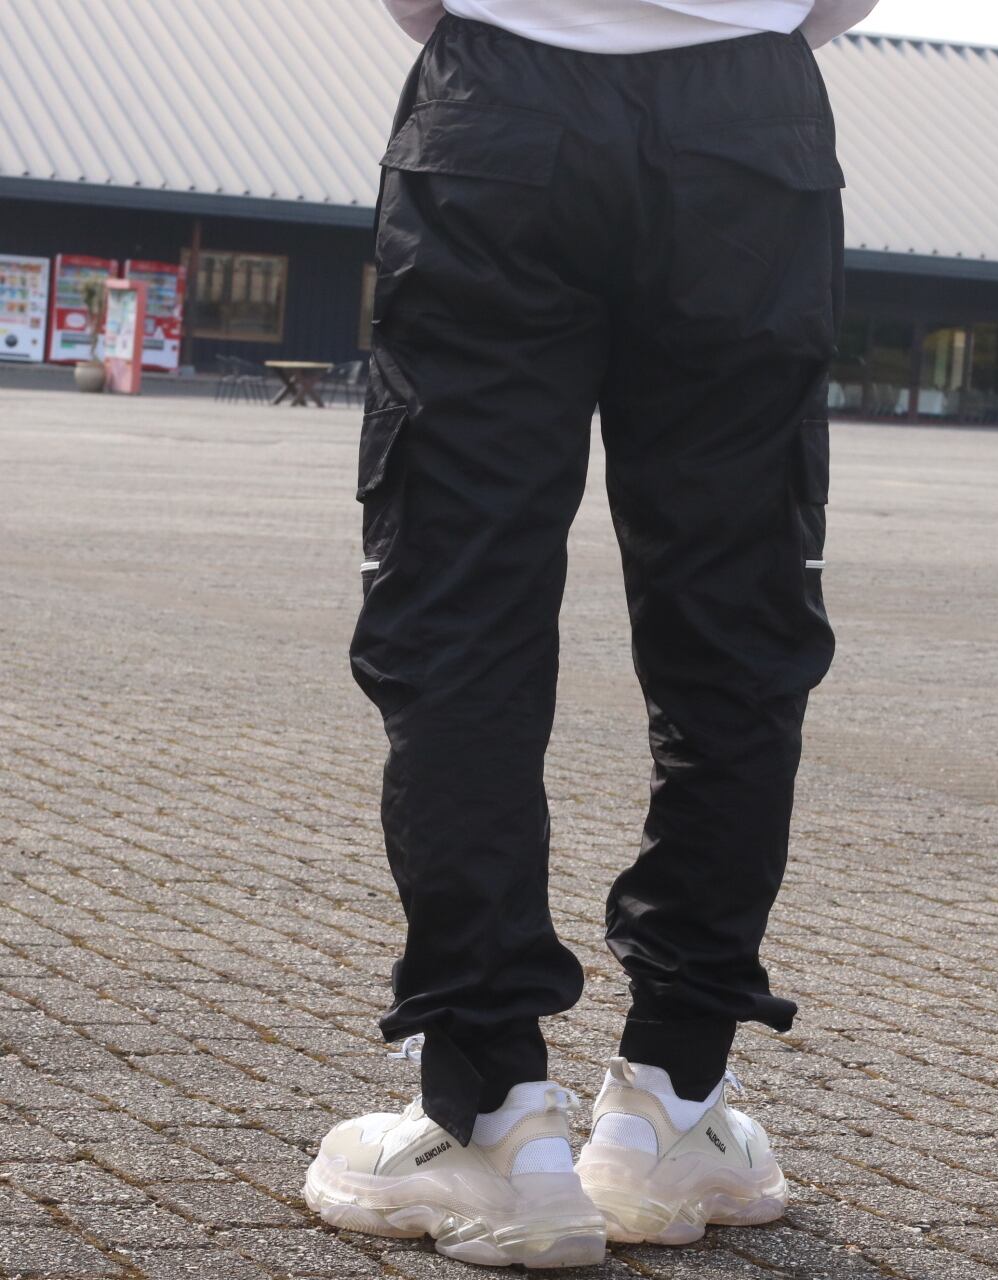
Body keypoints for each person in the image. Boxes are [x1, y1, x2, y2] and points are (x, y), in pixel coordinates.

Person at [304, 0, 877, 1267]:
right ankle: (672, 1100)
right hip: (748, 133)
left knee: (462, 619)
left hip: (497, 117)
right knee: (733, 636)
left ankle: (492, 1117)